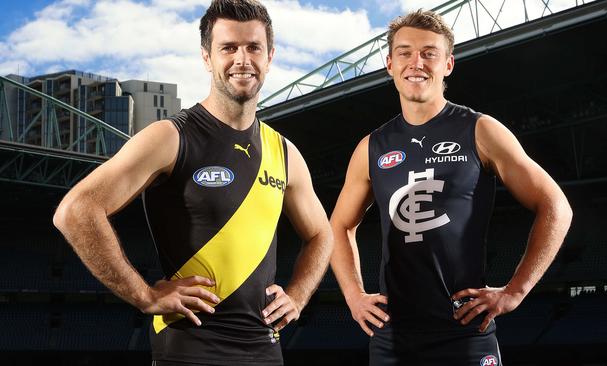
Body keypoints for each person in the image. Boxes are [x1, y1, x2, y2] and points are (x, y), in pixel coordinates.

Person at [53, 1, 333, 365]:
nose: (242, 60)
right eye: (228, 48)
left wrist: (297, 295)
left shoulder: (284, 152)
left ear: (270, 55)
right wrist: (144, 296)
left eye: (253, 47)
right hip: (189, 350)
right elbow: (75, 211)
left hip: (266, 350)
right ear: (206, 57)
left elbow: (322, 234)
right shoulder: (170, 137)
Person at [329, 9, 572, 366]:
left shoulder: (480, 130)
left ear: (448, 64)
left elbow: (556, 206)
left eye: (429, 53)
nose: (417, 62)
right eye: (405, 52)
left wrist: (515, 291)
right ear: (389, 64)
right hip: (394, 338)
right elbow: (338, 225)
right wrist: (353, 295)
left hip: (465, 333)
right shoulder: (371, 147)